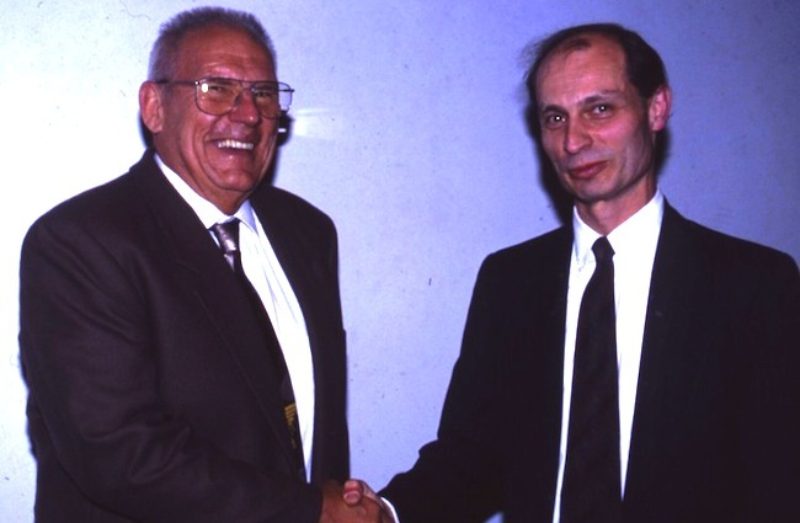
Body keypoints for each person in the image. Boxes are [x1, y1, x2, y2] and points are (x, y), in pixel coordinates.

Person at [357, 23, 800, 522]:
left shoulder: (753, 286)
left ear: (656, 108)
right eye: (555, 117)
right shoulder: (510, 281)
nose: (573, 140)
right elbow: (473, 457)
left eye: (600, 109)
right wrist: (386, 512)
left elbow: (779, 483)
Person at [19, 7, 383, 522]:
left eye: (264, 93)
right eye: (216, 89)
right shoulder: (81, 242)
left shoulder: (308, 233)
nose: (248, 114)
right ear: (154, 107)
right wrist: (311, 510)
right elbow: (121, 456)